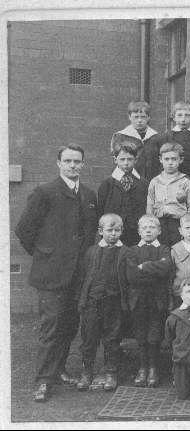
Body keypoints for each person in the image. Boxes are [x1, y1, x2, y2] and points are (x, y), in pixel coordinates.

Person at [15, 144, 98, 402]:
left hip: (78, 275)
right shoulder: (45, 192)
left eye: (77, 161)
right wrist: (46, 253)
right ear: (58, 163)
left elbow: (90, 231)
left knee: (69, 326)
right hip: (51, 274)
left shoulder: (88, 194)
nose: (73, 165)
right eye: (68, 161)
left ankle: (58, 370)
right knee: (50, 327)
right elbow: (24, 230)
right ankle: (42, 381)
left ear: (83, 164)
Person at [76, 213, 128, 392]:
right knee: (89, 338)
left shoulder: (125, 252)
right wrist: (83, 300)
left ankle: (111, 372)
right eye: (109, 230)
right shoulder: (91, 251)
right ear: (100, 231)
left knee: (112, 338)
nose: (113, 234)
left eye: (117, 230)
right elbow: (84, 277)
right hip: (92, 302)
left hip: (113, 303)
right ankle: (87, 371)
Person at [124, 214, 173, 388]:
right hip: (138, 300)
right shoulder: (132, 251)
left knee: (154, 335)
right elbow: (132, 276)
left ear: (159, 230)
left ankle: (154, 368)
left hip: (157, 299)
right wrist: (155, 269)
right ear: (138, 231)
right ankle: (142, 368)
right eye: (144, 228)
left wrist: (143, 267)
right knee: (141, 334)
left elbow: (166, 268)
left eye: (152, 228)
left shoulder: (164, 249)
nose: (148, 231)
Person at [97, 140, 149, 246]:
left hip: (136, 235)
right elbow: (101, 211)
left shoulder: (143, 184)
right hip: (113, 234)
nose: (126, 163)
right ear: (115, 160)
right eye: (122, 159)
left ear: (135, 160)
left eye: (130, 159)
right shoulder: (107, 184)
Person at [146, 142, 190, 246]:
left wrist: (189, 224)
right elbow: (150, 204)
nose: (170, 163)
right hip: (159, 223)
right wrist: (150, 222)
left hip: (178, 222)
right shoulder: (155, 181)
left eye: (174, 159)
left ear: (180, 160)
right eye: (167, 159)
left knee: (177, 250)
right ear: (161, 160)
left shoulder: (185, 181)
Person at [111, 101, 162, 181]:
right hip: (129, 179)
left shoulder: (157, 137)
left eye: (143, 117)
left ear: (148, 117)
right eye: (136, 117)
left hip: (152, 179)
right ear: (130, 117)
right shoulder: (120, 136)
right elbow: (117, 161)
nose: (139, 120)